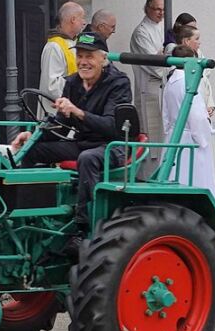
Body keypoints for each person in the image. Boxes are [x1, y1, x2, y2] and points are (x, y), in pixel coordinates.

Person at [10, 31, 132, 236]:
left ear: (103, 58)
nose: (83, 62)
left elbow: (112, 127)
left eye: (89, 56)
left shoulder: (119, 83)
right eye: (80, 56)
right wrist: (33, 137)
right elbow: (61, 124)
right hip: (83, 142)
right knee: (31, 151)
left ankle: (85, 226)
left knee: (87, 158)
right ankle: (28, 216)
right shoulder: (73, 82)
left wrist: (77, 111)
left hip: (113, 145)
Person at [161, 45, 215, 201]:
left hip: (174, 136)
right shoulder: (188, 83)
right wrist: (204, 137)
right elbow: (197, 117)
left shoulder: (171, 81)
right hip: (190, 138)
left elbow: (165, 113)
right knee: (195, 177)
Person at [174, 25, 215, 177]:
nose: (199, 42)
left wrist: (210, 104)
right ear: (186, 41)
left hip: (202, 110)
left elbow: (206, 81)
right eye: (197, 39)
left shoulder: (198, 55)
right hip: (191, 129)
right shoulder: (180, 68)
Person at [129, 0, 165, 176]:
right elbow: (154, 63)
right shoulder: (141, 32)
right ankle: (147, 175)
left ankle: (162, 171)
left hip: (163, 87)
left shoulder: (163, 28)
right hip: (149, 87)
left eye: (163, 9)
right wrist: (165, 59)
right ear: (147, 9)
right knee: (150, 132)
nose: (161, 13)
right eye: (157, 9)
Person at [39, 1, 86, 114]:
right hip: (56, 114)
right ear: (73, 19)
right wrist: (80, 89)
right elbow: (52, 85)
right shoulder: (54, 47)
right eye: (82, 18)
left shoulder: (74, 42)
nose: (84, 22)